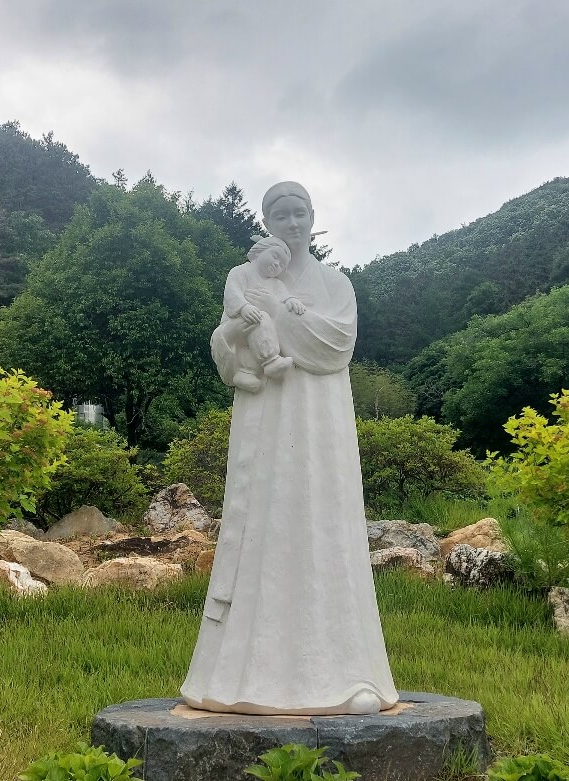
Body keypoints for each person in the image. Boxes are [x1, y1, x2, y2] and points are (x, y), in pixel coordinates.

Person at [181, 181, 398, 716]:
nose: (292, 223)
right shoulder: (246, 279)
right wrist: (245, 328)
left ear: (312, 218)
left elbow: (334, 346)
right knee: (264, 530)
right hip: (266, 420)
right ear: (267, 222)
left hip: (320, 427)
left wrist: (275, 311)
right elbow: (226, 341)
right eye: (281, 214)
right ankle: (240, 678)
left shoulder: (335, 284)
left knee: (325, 532)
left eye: (300, 213)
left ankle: (345, 674)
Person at [217, 235, 304, 392]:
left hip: (257, 332)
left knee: (258, 337)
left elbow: (284, 296)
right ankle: (271, 361)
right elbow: (232, 292)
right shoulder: (241, 271)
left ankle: (245, 373)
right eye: (275, 256)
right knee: (262, 317)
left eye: (282, 265)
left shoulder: (276, 283)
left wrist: (291, 300)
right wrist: (243, 307)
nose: (277, 264)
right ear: (259, 251)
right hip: (236, 324)